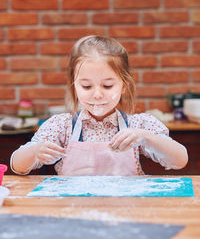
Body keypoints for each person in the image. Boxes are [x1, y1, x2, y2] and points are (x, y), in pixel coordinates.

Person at [10, 35, 188, 176]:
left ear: (123, 86)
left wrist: (147, 137)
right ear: (74, 85)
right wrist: (34, 152)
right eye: (86, 86)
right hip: (72, 211)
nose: (97, 94)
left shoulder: (138, 125)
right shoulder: (61, 126)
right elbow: (17, 165)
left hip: (126, 210)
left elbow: (180, 160)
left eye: (107, 85)